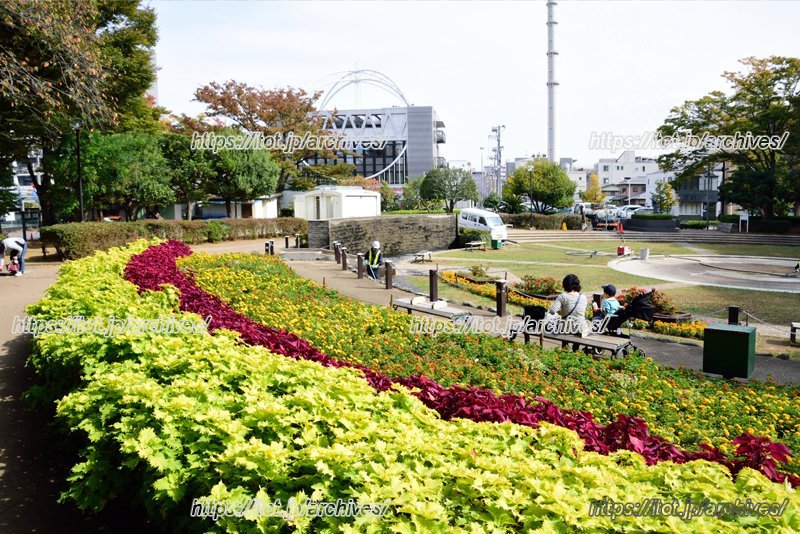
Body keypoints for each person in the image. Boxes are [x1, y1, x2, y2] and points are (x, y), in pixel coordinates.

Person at [545, 274, 589, 349]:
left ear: (565, 285)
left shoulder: (562, 297)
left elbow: (552, 311)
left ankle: (564, 348)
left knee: (560, 324)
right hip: (581, 328)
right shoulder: (583, 297)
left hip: (566, 328)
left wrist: (560, 311)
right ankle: (576, 348)